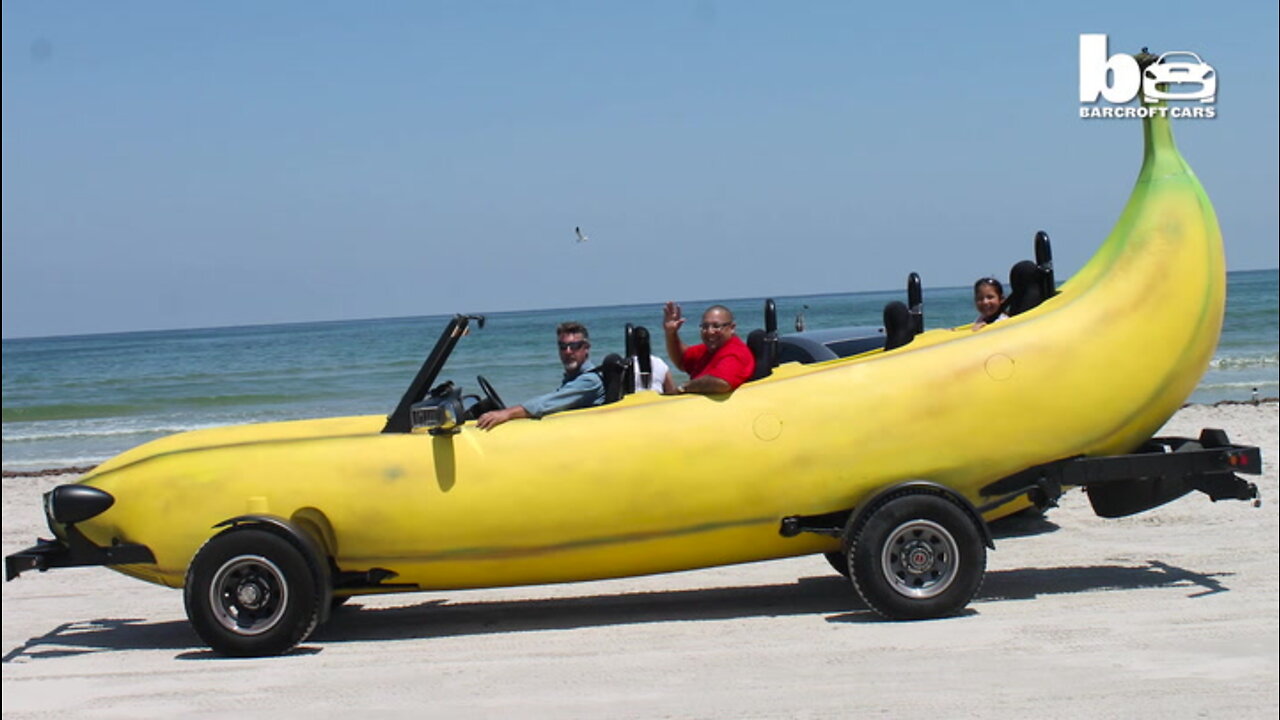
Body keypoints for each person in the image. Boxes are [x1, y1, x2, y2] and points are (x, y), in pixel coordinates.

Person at [476, 322, 605, 429]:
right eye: (562, 346)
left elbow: (548, 402)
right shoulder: (574, 377)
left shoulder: (590, 380)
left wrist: (507, 413)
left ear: (586, 348)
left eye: (574, 346)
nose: (568, 352)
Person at [662, 302, 755, 394]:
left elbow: (721, 383)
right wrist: (671, 333)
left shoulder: (735, 352)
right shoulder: (708, 350)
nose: (709, 331)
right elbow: (682, 360)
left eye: (716, 326)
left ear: (732, 328)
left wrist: (683, 388)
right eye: (705, 327)